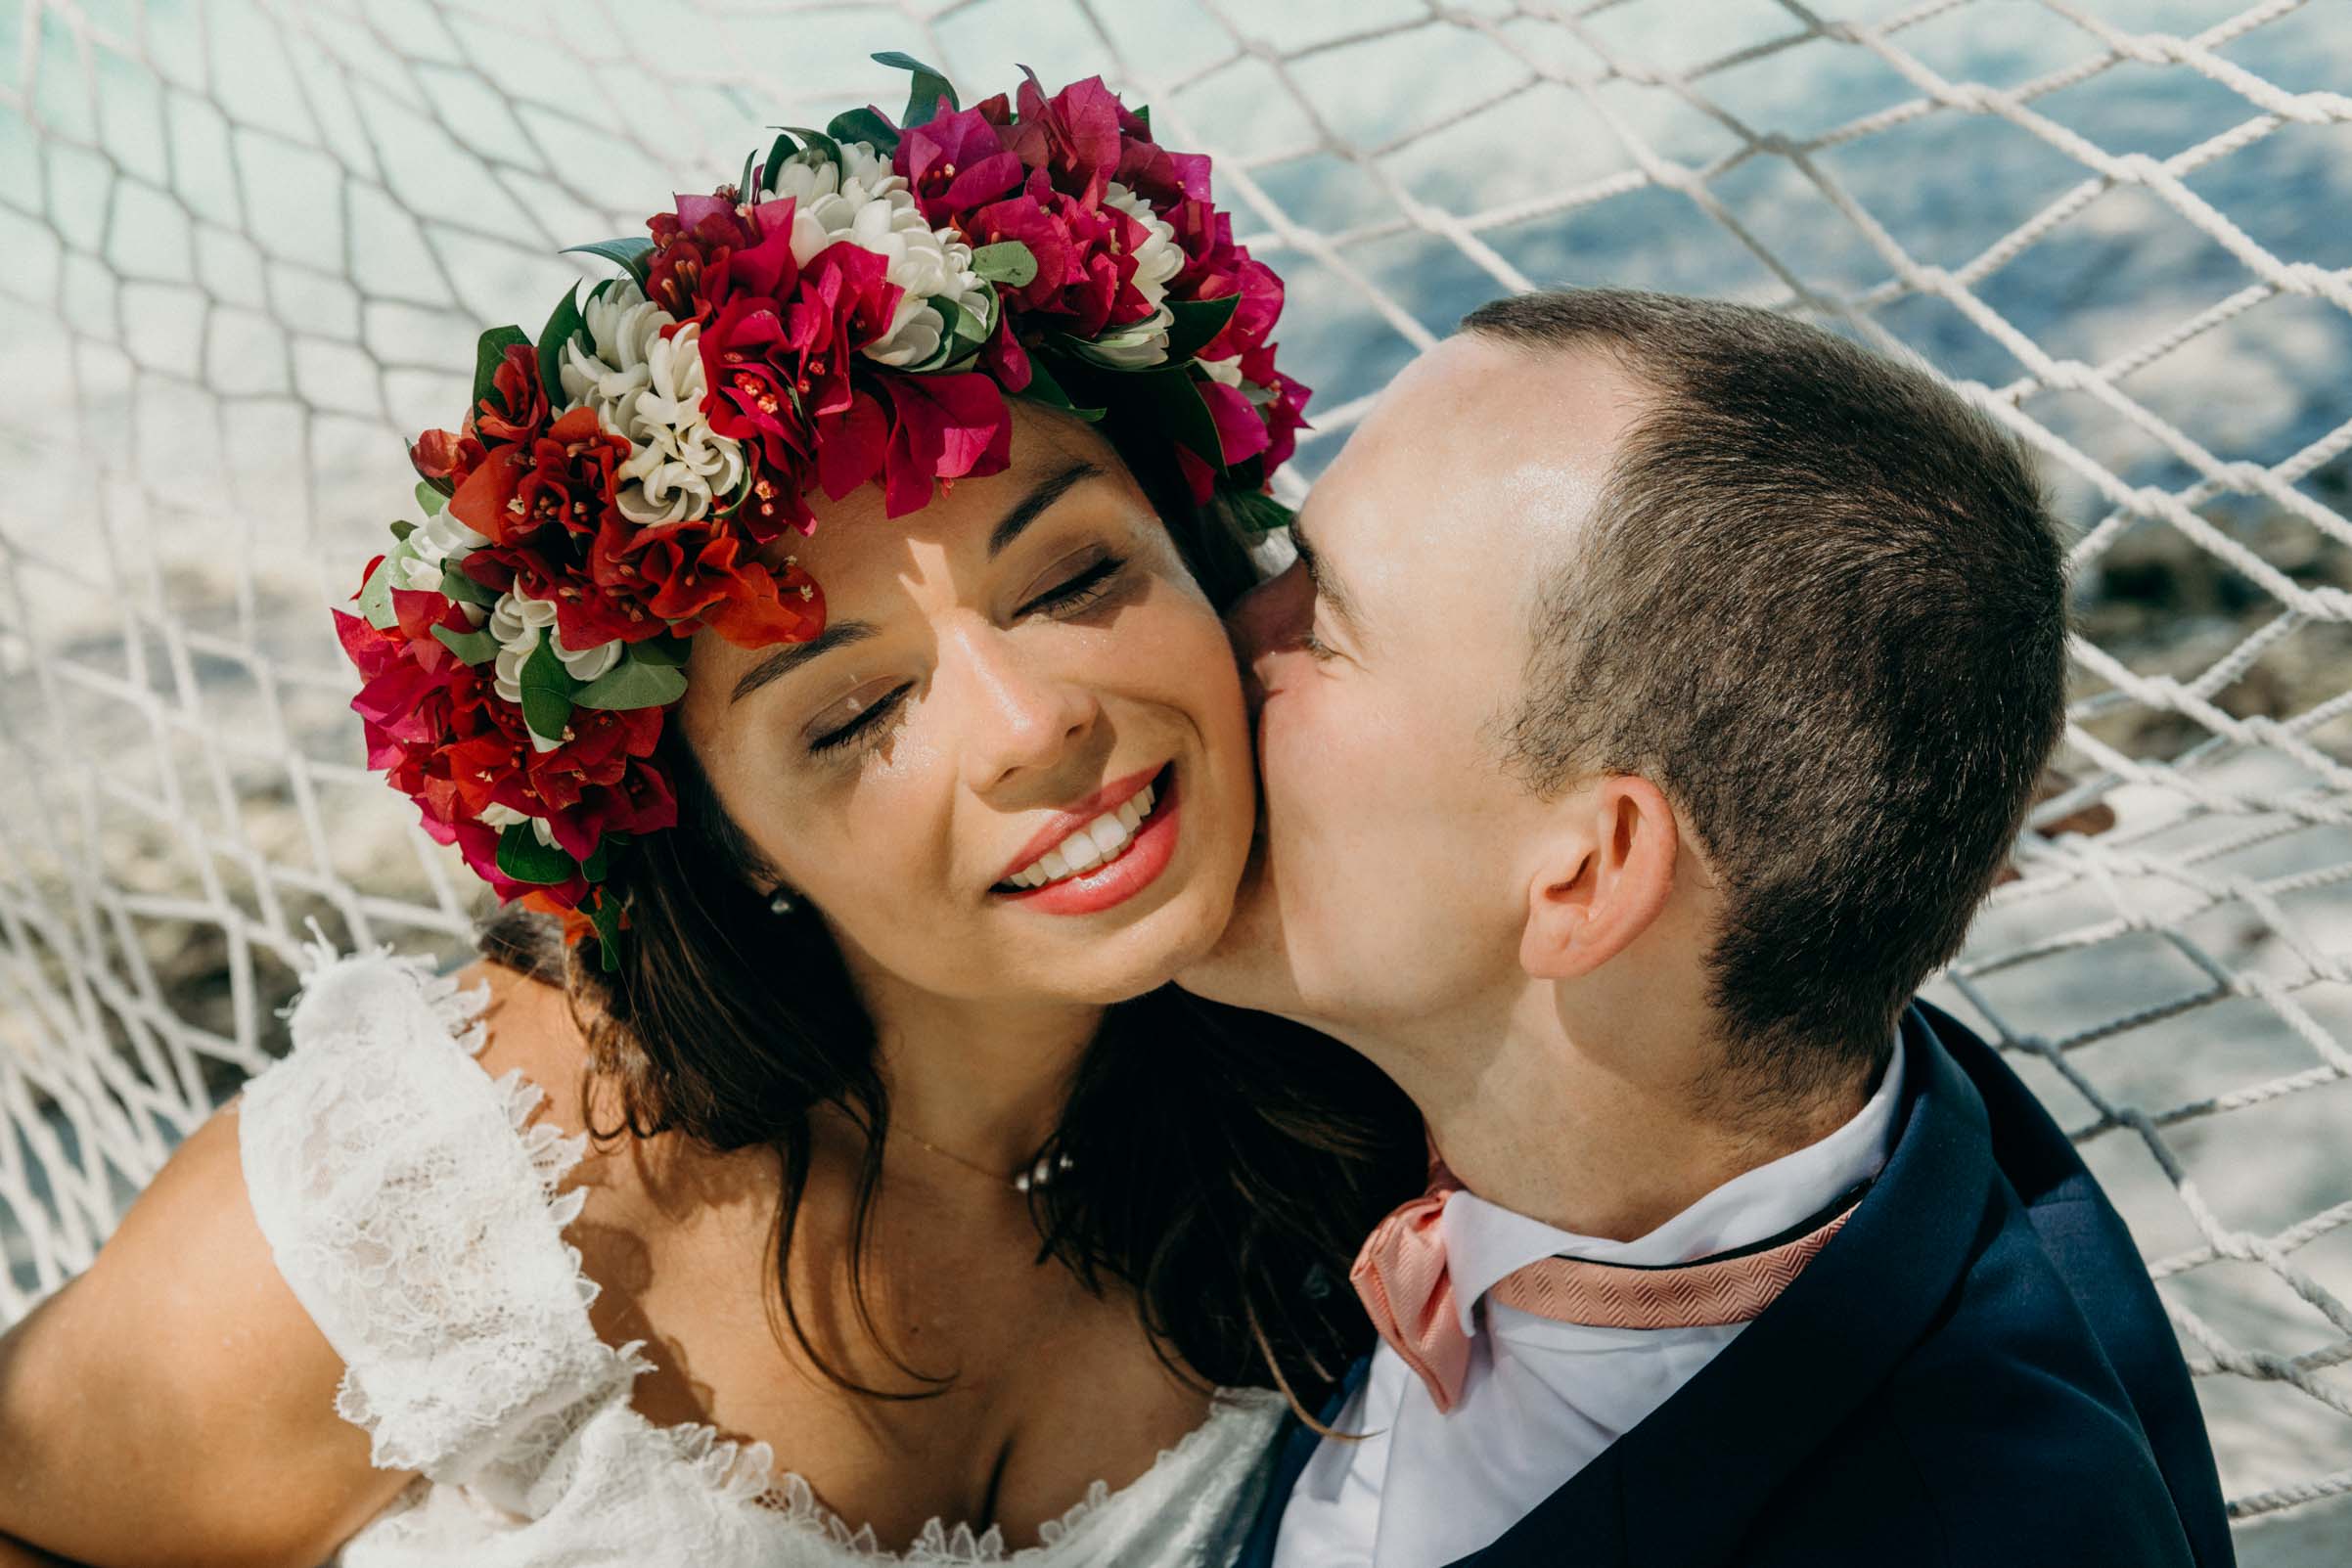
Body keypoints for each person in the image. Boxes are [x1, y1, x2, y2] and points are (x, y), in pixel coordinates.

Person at [0, 65, 1423, 1568]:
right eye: (854, 714)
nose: (1033, 725)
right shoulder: (439, 1205)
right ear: (728, 842)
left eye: (1076, 577)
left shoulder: (1391, 1057)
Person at [1180, 288, 2239, 1567]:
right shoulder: (1366, 1077)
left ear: (1587, 875)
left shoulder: (1974, 1526)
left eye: (1321, 623)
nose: (1223, 637)